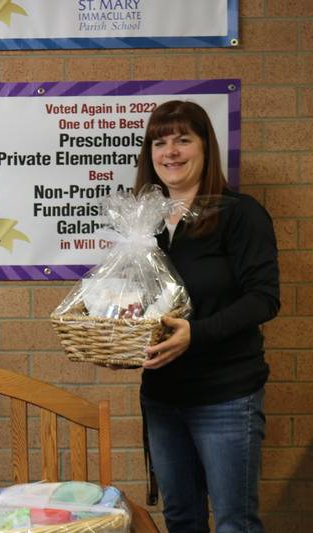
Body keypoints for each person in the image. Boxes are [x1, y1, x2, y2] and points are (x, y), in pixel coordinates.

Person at [134, 100, 279, 533]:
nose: (170, 151)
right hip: (161, 398)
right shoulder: (145, 227)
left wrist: (194, 335)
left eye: (183, 139)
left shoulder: (240, 214)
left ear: (205, 146)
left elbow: (264, 299)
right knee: (181, 519)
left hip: (227, 397)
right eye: (160, 142)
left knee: (235, 523)